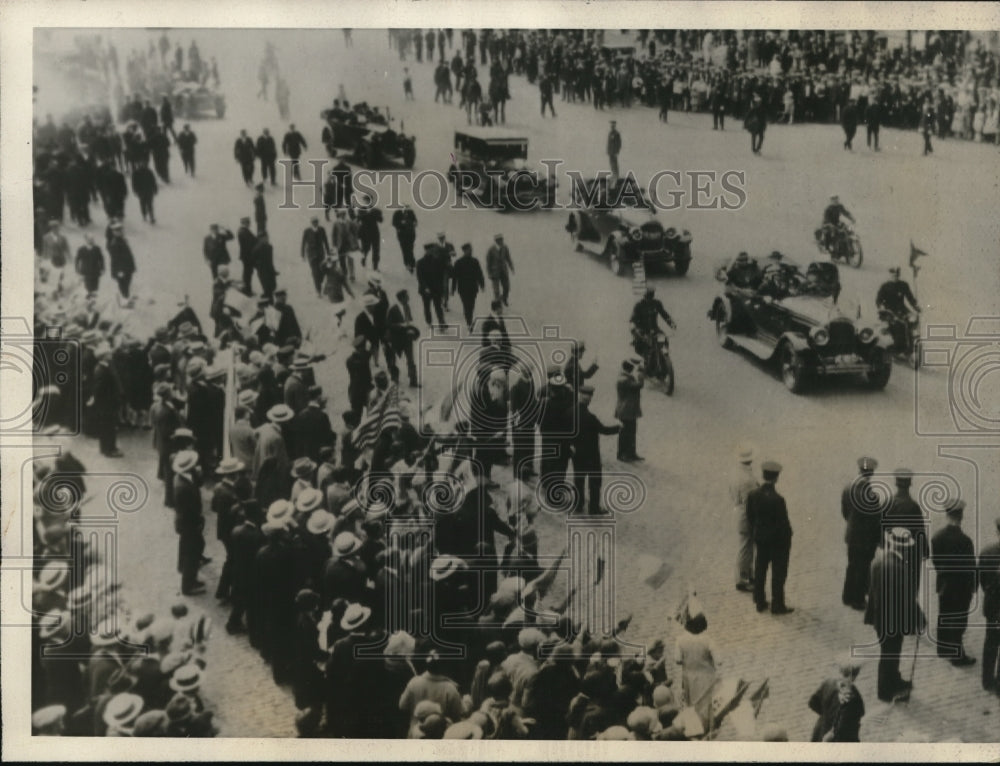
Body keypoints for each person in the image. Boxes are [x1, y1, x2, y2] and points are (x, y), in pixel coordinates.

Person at [865, 527, 924, 702]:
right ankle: (885, 691)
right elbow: (908, 600)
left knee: (889, 652)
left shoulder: (878, 561)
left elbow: (871, 590)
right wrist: (920, 619)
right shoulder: (900, 568)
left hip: (880, 618)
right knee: (890, 654)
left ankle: (894, 680)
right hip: (893, 621)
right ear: (904, 548)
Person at [931, 498, 977, 666]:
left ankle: (943, 649)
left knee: (944, 615)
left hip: (943, 584)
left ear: (947, 514)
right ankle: (957, 657)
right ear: (961, 516)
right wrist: (973, 587)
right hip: (960, 588)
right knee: (958, 621)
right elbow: (971, 567)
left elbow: (936, 561)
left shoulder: (937, 537)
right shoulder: (965, 541)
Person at [747, 460, 793, 615]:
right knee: (778, 573)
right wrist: (787, 540)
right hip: (777, 543)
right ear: (776, 478)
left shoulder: (753, 494)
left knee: (760, 569)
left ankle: (759, 601)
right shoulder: (778, 500)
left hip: (761, 539)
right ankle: (777, 604)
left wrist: (757, 532)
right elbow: (784, 525)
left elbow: (750, 517)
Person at [841, 456, 885, 611]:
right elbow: (876, 521)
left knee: (852, 565)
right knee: (863, 567)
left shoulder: (848, 488)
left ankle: (847, 596)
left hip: (852, 535)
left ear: (859, 470)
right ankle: (858, 600)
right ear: (871, 473)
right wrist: (879, 540)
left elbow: (845, 512)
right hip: (865, 539)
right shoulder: (871, 495)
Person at [571, 384, 620, 515]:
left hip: (577, 454)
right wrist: (618, 428)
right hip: (592, 455)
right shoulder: (590, 418)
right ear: (589, 399)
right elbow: (604, 430)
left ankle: (578, 505)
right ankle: (593, 508)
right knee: (594, 481)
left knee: (579, 480)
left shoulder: (570, 412)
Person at [172, 450, 207, 595]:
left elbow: (198, 483)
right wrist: (198, 522)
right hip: (189, 523)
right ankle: (187, 586)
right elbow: (189, 510)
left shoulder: (183, 477)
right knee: (192, 552)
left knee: (192, 548)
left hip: (186, 522)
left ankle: (190, 577)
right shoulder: (183, 487)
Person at [807, 659, 864, 742]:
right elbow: (843, 726)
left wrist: (827, 715)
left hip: (820, 731)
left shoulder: (828, 683)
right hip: (836, 739)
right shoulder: (853, 697)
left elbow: (812, 703)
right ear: (855, 675)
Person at [731, 446, 759, 593]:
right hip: (747, 516)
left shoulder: (736, 474)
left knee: (745, 547)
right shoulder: (747, 479)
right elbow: (751, 502)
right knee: (746, 548)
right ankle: (742, 579)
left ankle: (747, 575)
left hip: (739, 512)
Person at [90, 344, 124, 457]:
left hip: (108, 404)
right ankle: (109, 449)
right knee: (108, 427)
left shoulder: (104, 367)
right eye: (108, 353)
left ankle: (108, 447)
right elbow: (99, 390)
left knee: (108, 427)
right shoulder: (101, 370)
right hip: (107, 405)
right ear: (104, 356)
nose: (111, 354)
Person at [876, 267, 921, 351]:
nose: (894, 277)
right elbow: (879, 300)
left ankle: (910, 346)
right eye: (893, 275)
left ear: (899, 275)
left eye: (896, 275)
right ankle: (896, 346)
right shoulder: (885, 286)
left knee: (911, 322)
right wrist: (881, 306)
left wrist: (915, 305)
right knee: (896, 325)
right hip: (888, 310)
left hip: (901, 309)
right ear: (890, 275)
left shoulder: (903, 285)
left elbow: (910, 297)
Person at [979, 517, 1000, 694]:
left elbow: (982, 581)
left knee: (990, 643)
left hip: (992, 607)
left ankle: (986, 680)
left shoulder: (986, 552)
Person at [386, 289, 420, 388]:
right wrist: (400, 326)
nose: (408, 298)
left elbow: (410, 320)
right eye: (407, 296)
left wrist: (412, 329)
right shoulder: (393, 309)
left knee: (411, 360)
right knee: (393, 359)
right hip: (396, 338)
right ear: (402, 298)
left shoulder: (407, 307)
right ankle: (394, 378)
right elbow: (388, 325)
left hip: (407, 338)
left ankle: (413, 380)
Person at [629, 287, 675, 356]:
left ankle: (665, 358)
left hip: (655, 329)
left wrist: (672, 324)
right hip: (643, 331)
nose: (649, 299)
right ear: (644, 296)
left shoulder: (656, 304)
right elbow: (633, 320)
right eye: (647, 296)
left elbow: (664, 314)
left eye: (651, 296)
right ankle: (645, 360)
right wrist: (636, 330)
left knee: (663, 339)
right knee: (642, 346)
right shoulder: (638, 306)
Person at [614, 358, 644, 462]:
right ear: (630, 368)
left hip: (629, 410)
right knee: (625, 433)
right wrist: (641, 373)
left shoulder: (625, 377)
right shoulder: (624, 379)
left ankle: (631, 453)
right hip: (626, 410)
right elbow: (639, 385)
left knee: (631, 432)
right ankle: (622, 454)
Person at [451, 242, 486, 330]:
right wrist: (453, 289)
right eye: (469, 250)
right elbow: (455, 277)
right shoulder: (458, 262)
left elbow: (479, 273)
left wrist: (482, 284)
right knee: (466, 305)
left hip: (473, 288)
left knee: (471, 305)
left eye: (471, 250)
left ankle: (469, 318)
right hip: (463, 289)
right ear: (464, 251)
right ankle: (469, 322)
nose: (470, 251)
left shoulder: (475, 261)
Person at [416, 243, 446, 328]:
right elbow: (420, 277)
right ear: (426, 251)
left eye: (433, 250)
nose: (432, 251)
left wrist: (441, 288)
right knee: (427, 307)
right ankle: (429, 322)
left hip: (436, 288)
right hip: (426, 290)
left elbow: (441, 275)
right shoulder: (420, 262)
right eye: (431, 250)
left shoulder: (437, 261)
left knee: (438, 307)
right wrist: (425, 287)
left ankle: (441, 322)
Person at [301, 217, 331, 297]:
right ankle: (318, 291)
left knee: (322, 272)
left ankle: (321, 284)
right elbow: (303, 243)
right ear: (311, 223)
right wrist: (302, 255)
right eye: (313, 222)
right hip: (311, 256)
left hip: (321, 254)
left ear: (318, 222)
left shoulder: (321, 229)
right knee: (315, 273)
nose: (315, 223)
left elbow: (325, 241)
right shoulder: (307, 231)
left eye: (316, 222)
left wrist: (328, 252)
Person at [107, 222, 137, 299]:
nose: (121, 232)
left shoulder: (122, 239)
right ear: (114, 232)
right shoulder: (115, 243)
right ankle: (125, 299)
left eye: (121, 230)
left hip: (127, 267)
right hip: (121, 270)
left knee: (127, 282)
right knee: (123, 284)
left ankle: (126, 297)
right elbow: (115, 259)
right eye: (118, 231)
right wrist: (118, 271)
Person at [485, 233, 514, 307]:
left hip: (504, 271)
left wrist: (511, 267)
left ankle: (504, 298)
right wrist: (489, 273)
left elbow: (508, 258)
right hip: (495, 272)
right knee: (496, 291)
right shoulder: (491, 249)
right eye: (500, 240)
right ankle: (498, 305)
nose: (501, 241)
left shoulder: (505, 247)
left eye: (502, 239)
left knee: (507, 287)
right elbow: (488, 262)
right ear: (496, 241)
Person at [356, 198, 384, 271]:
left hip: (375, 233)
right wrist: (367, 213)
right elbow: (358, 219)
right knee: (366, 249)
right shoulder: (361, 210)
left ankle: (375, 266)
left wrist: (375, 213)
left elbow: (381, 220)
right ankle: (363, 259)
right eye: (365, 201)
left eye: (368, 201)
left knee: (376, 250)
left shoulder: (376, 210)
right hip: (365, 233)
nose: (366, 203)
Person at [391, 204, 418, 273]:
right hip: (402, 235)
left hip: (411, 234)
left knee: (410, 249)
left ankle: (412, 263)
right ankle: (407, 263)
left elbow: (415, 221)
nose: (406, 208)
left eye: (407, 207)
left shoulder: (411, 212)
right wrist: (401, 223)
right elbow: (394, 223)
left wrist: (413, 223)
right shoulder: (397, 213)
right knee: (404, 250)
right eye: (404, 207)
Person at [253, 232, 278, 300]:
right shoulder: (257, 248)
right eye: (264, 238)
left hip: (270, 271)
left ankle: (267, 298)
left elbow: (270, 261)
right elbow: (253, 260)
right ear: (260, 239)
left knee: (273, 287)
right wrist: (259, 266)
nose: (267, 239)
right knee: (267, 289)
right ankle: (269, 302)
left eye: (267, 237)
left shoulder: (269, 247)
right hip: (262, 272)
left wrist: (273, 271)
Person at [236, 217, 257, 295]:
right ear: (245, 223)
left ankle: (247, 288)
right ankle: (247, 289)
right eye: (248, 222)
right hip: (247, 256)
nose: (249, 224)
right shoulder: (243, 231)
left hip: (246, 255)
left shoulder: (243, 231)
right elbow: (250, 243)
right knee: (247, 273)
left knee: (247, 272)